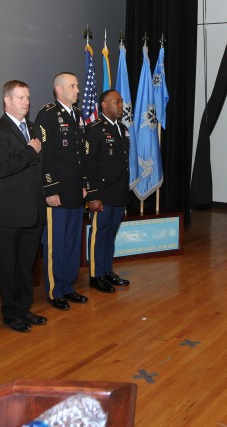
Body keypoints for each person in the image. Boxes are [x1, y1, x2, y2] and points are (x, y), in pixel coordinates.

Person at [0, 80, 47, 332]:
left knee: (25, 264)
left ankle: (24, 309)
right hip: (10, 212)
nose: (26, 102)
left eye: (28, 98)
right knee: (9, 266)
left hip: (32, 209)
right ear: (7, 101)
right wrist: (30, 150)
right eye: (21, 98)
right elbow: (4, 168)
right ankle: (11, 314)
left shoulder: (32, 127)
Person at [35, 72, 88, 310]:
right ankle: (55, 290)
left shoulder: (77, 115)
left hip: (76, 190)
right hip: (57, 192)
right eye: (73, 86)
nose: (77, 90)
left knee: (72, 242)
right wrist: (50, 188)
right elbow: (45, 156)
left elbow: (81, 154)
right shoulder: (47, 114)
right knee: (56, 244)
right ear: (59, 89)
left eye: (77, 86)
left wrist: (85, 183)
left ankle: (68, 286)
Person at [84, 89, 131, 293]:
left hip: (118, 193)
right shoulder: (95, 129)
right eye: (116, 102)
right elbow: (88, 164)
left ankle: (107, 270)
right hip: (101, 194)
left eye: (121, 102)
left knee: (110, 234)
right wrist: (93, 195)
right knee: (98, 234)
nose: (121, 105)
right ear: (104, 105)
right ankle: (95, 275)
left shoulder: (122, 128)